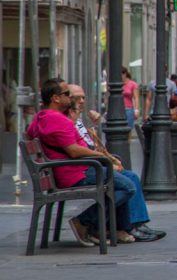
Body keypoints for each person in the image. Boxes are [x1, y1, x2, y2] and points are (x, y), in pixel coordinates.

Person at [26, 79, 138, 246]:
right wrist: (103, 157)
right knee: (128, 186)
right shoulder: (57, 119)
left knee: (122, 178)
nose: (70, 97)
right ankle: (84, 222)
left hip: (68, 170)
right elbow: (73, 150)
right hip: (75, 173)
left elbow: (29, 134)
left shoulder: (41, 117)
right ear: (55, 98)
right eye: (66, 94)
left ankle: (110, 228)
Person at [67, 84, 165, 242]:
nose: (82, 101)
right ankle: (92, 222)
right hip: (82, 169)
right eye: (77, 98)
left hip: (89, 165)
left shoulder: (77, 119)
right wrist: (106, 161)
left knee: (130, 177)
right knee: (126, 183)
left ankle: (131, 225)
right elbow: (77, 149)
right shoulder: (67, 120)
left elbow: (89, 143)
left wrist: (95, 127)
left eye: (83, 97)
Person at [122, 67, 139, 132]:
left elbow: (136, 97)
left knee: (128, 129)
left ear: (125, 74)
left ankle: (127, 142)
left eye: (121, 75)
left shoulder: (132, 84)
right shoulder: (118, 84)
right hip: (119, 109)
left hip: (128, 109)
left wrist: (136, 110)